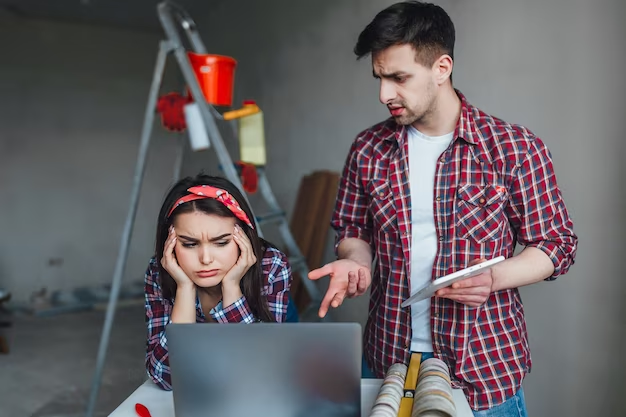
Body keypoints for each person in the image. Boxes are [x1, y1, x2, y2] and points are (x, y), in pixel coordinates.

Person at [308, 1, 578, 415]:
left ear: (442, 67)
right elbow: (352, 230)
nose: (384, 94)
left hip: (483, 371)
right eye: (379, 78)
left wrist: (494, 278)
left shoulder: (514, 148)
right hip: (387, 361)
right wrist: (353, 260)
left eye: (399, 78)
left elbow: (556, 244)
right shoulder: (368, 150)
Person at [144, 174, 293, 390]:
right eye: (189, 244)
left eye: (221, 242)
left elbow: (261, 371)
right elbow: (166, 379)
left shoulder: (271, 266)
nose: (206, 259)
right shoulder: (161, 272)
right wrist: (185, 289)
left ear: (243, 237)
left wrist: (232, 288)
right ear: (170, 243)